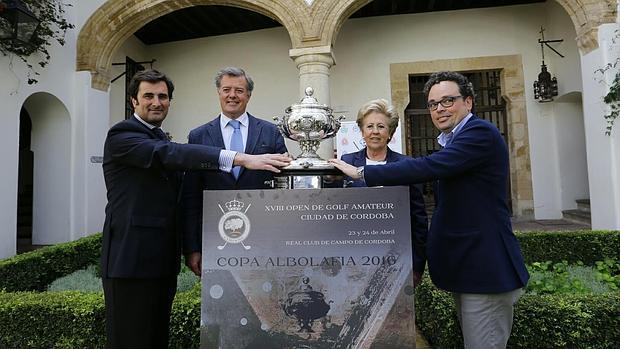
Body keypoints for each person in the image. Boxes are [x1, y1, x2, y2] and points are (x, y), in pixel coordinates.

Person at [330, 71, 529, 349]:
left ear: (469, 102)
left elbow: (428, 167)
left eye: (448, 100)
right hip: (470, 270)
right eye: (434, 104)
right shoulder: (453, 140)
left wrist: (363, 173)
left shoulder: (479, 133)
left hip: (486, 270)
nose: (440, 109)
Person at [101, 69, 290, 349]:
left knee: (155, 338)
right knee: (130, 339)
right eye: (148, 96)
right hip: (130, 260)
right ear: (133, 101)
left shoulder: (159, 137)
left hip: (162, 261)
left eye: (163, 96)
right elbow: (170, 156)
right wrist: (239, 158)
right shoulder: (123, 135)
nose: (156, 102)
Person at [181, 67, 288, 277]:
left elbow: (282, 186)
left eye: (239, 90)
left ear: (248, 95)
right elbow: (190, 196)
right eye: (226, 89)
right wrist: (192, 247)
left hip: (264, 236)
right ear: (218, 93)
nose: (232, 95)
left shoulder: (270, 132)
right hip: (215, 237)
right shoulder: (199, 136)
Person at [340, 98, 427, 286]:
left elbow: (418, 220)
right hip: (354, 261)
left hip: (397, 260)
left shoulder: (406, 166)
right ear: (362, 132)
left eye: (381, 126)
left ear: (390, 132)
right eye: (369, 126)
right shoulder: (346, 162)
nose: (375, 132)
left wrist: (417, 266)